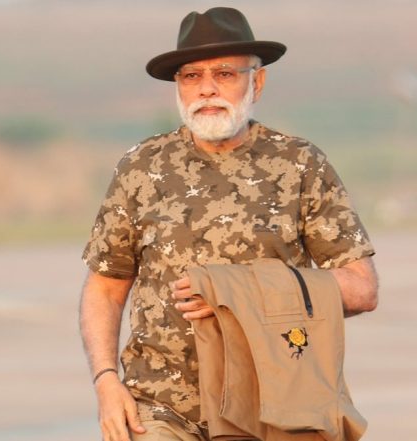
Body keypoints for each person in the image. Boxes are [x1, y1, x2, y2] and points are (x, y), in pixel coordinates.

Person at [80, 7, 379, 441]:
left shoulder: (299, 165)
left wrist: (237, 291)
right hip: (161, 407)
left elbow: (360, 288)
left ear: (255, 82)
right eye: (190, 76)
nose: (206, 90)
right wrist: (106, 381)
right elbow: (106, 284)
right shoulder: (141, 167)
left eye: (224, 74)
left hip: (274, 407)